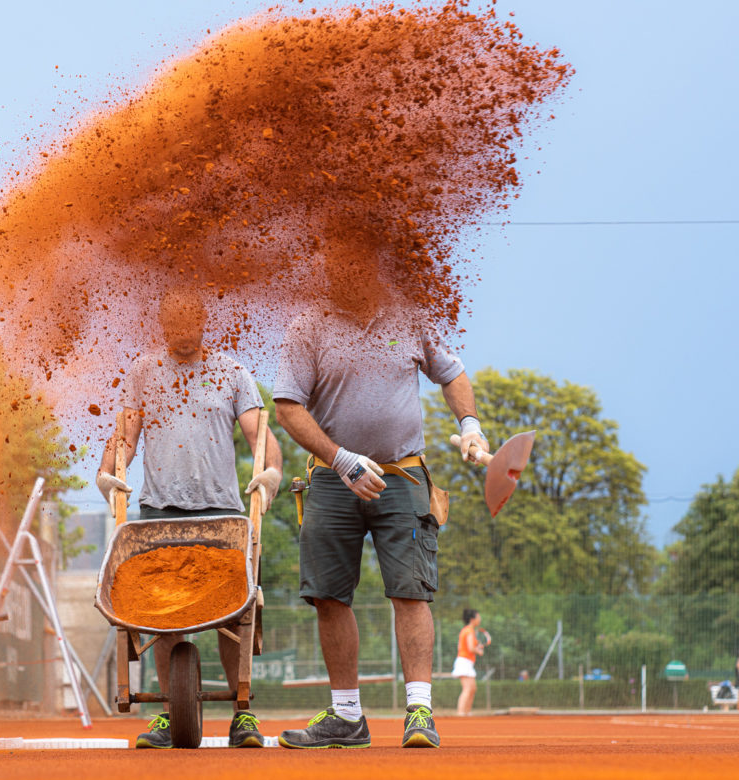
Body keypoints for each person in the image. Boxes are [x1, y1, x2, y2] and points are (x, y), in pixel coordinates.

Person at [273, 232, 489, 749]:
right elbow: (287, 406)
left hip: (404, 476)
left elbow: (452, 373)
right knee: (327, 595)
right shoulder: (308, 325)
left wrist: (473, 424)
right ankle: (347, 717)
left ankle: (419, 713)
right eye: (338, 265)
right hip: (331, 478)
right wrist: (340, 459)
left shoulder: (410, 314)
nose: (348, 274)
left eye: (358, 264)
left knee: (411, 591)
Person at [95, 289, 283, 749]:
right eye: (172, 323)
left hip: (222, 513)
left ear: (203, 323)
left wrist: (271, 473)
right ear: (162, 325)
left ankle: (242, 712)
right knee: (162, 612)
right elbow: (126, 433)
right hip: (160, 511)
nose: (182, 331)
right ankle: (165, 713)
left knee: (236, 612)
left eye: (190, 322)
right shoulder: (144, 371)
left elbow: (261, 434)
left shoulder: (231, 373)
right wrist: (107, 473)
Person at [454, 608, 488, 715]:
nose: (480, 619)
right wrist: (479, 651)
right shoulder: (469, 630)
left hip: (466, 662)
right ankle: (460, 713)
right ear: (473, 619)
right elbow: (470, 648)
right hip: (464, 662)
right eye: (478, 617)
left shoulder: (468, 630)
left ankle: (467, 713)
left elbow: (465, 646)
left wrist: (477, 647)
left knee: (472, 688)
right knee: (468, 688)